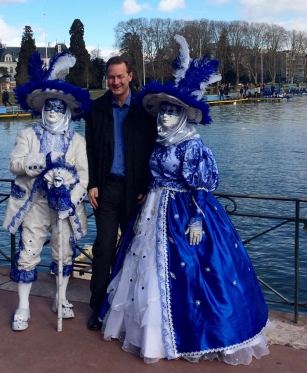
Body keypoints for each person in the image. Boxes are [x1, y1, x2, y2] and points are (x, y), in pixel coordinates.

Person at [100, 35, 274, 365]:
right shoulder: (161, 142)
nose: (164, 117)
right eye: (162, 111)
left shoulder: (192, 146)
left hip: (185, 213)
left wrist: (196, 218)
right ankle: (148, 335)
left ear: (183, 115)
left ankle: (196, 334)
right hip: (153, 210)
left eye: (172, 112)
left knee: (194, 273)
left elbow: (203, 185)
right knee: (144, 269)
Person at [3, 51, 92, 331]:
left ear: (66, 111)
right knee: (28, 253)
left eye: (58, 108)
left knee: (63, 254)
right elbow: (15, 164)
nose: (52, 112)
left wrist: (70, 199)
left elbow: (84, 177)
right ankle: (23, 306)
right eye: (49, 107)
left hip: (65, 207)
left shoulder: (78, 140)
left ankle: (61, 298)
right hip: (34, 203)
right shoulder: (27, 135)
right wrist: (44, 159)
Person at [85, 56, 157, 331]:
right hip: (106, 188)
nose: (115, 82)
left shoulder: (143, 109)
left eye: (120, 76)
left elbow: (154, 150)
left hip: (135, 192)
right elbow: (89, 149)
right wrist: (91, 183)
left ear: (130, 76)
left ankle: (130, 306)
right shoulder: (98, 108)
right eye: (111, 77)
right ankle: (98, 307)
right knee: (103, 248)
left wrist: (145, 185)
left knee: (134, 250)